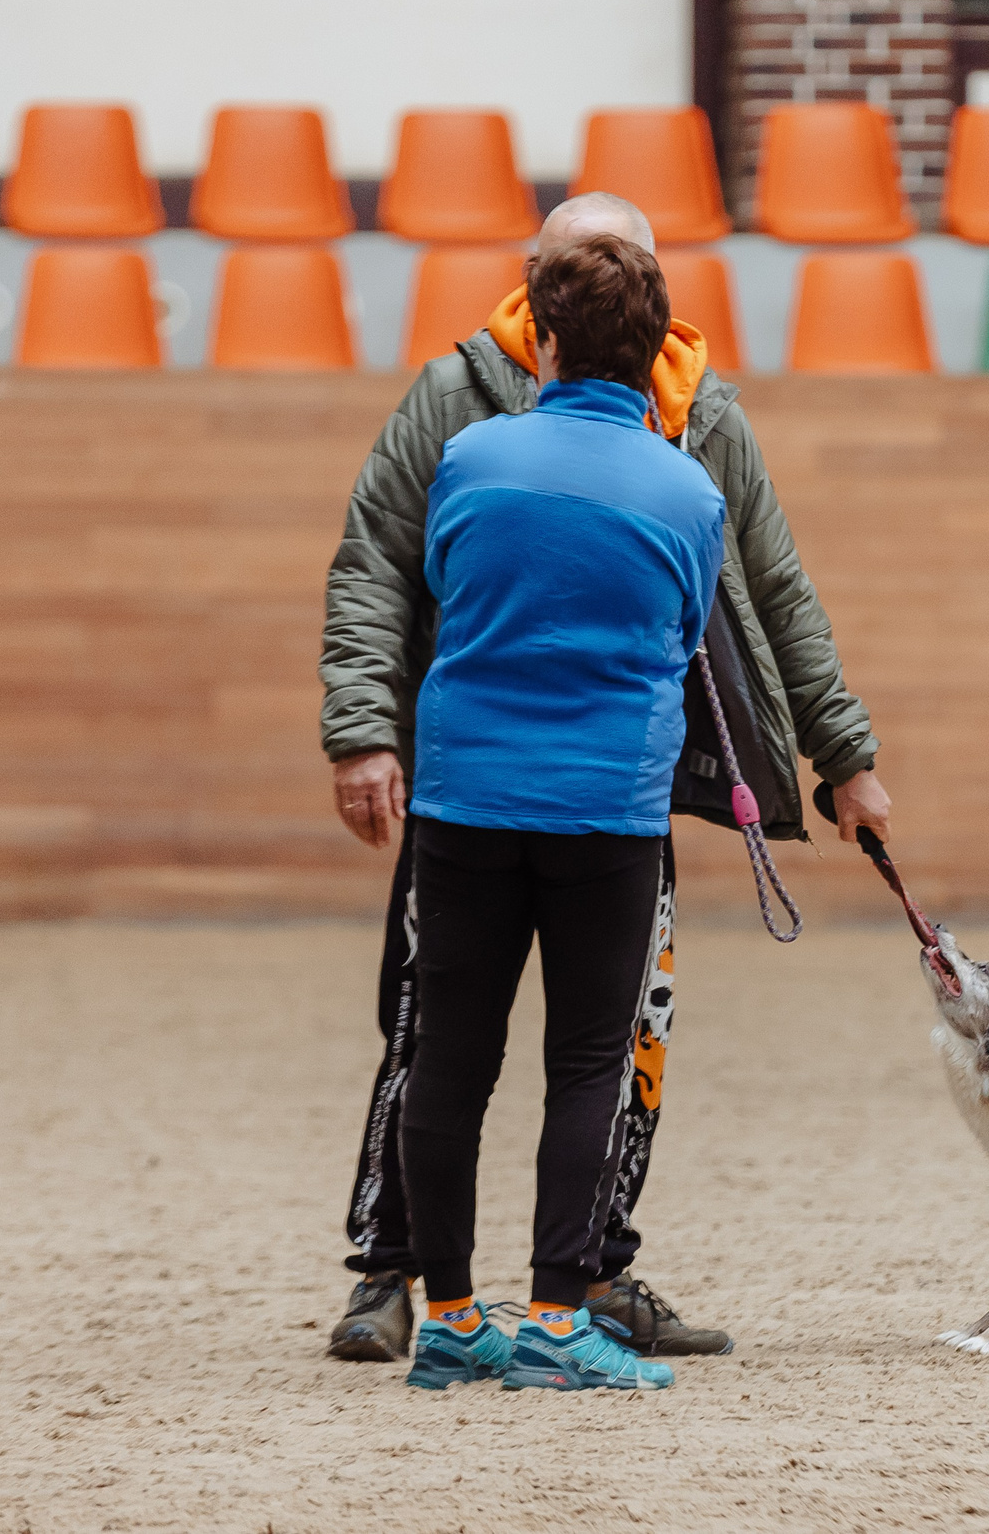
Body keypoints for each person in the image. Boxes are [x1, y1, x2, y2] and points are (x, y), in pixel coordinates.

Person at [318, 193, 892, 1363]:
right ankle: (396, 1267)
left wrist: (844, 751)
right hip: (546, 778)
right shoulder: (454, 396)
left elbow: (777, 588)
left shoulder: (703, 415)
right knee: (440, 1029)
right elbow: (375, 560)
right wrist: (362, 729)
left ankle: (582, 1270)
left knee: (621, 1040)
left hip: (537, 774)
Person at [396, 231, 719, 1392]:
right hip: (606, 806)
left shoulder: (472, 456)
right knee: (585, 1065)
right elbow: (687, 631)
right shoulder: (686, 487)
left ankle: (447, 1316)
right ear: (656, 350)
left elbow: (445, 582)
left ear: (538, 340)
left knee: (449, 1058)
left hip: (467, 793)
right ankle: (556, 1319)